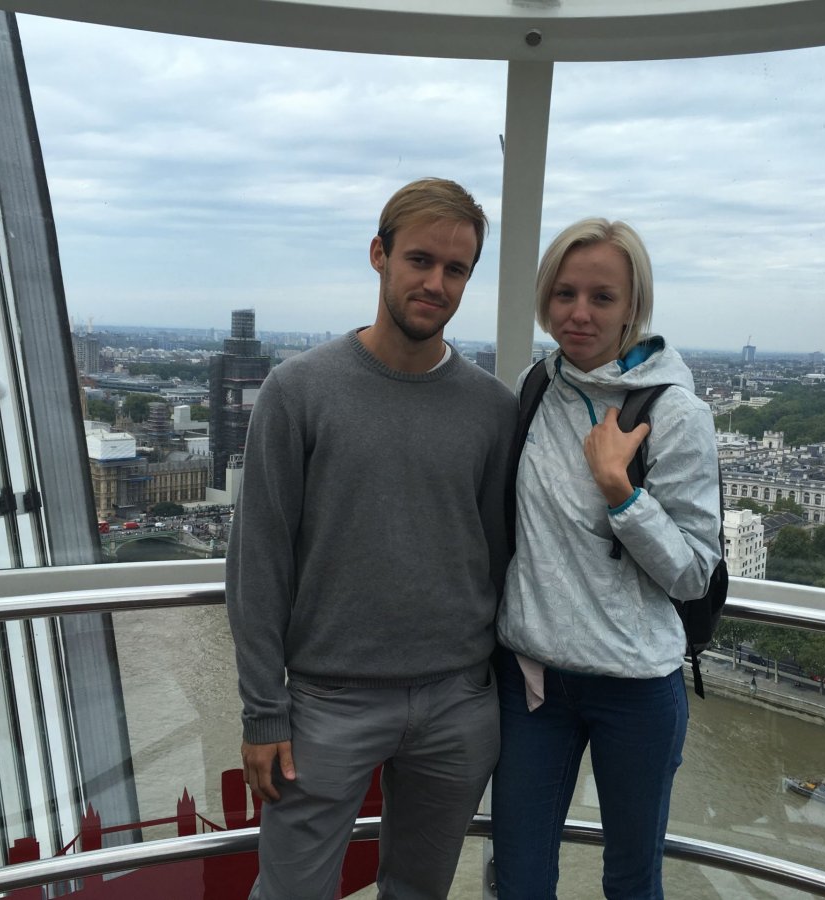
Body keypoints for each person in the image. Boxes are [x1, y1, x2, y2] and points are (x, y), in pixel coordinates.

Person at [227, 177, 516, 899]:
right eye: (420, 260)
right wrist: (264, 710)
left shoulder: (494, 408)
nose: (436, 283)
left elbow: (501, 555)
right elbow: (259, 560)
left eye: (456, 270)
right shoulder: (298, 391)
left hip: (457, 699)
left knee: (420, 892)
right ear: (378, 255)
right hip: (327, 700)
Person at [492, 218, 722, 899]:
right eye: (564, 294)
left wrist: (623, 495)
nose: (580, 313)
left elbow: (692, 572)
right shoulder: (536, 388)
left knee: (630, 881)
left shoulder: (675, 414)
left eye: (603, 297)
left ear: (634, 307)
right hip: (532, 679)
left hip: (635, 687)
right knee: (519, 877)